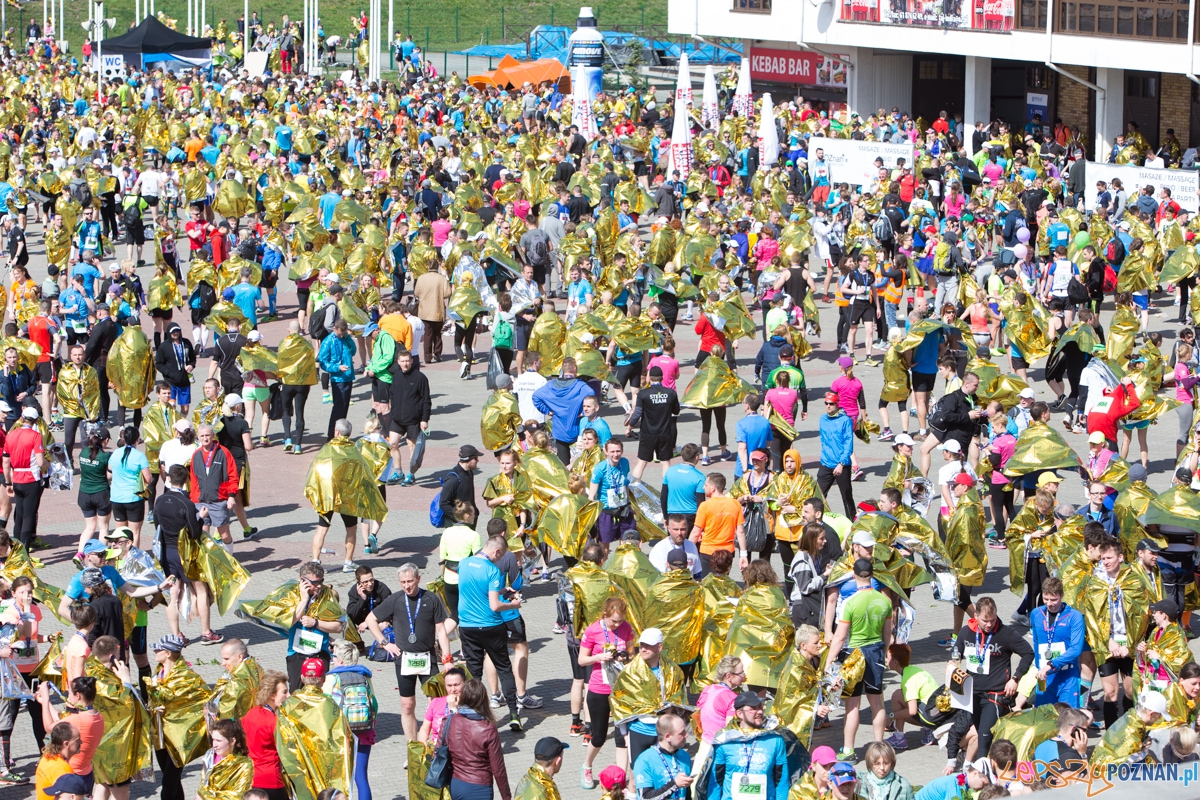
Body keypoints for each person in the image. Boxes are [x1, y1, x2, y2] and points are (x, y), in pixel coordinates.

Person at [364, 563, 452, 740]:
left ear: (418, 579)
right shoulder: (395, 600)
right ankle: (413, 746)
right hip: (404, 659)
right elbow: (371, 619)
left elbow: (441, 631)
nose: (407, 586)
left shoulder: (431, 599)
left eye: (410, 581)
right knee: (407, 705)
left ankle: (436, 744)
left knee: (436, 702)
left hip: (428, 657)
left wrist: (447, 658)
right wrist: (384, 643)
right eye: (403, 582)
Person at [947, 596, 1034, 764]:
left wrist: (1015, 678)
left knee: (985, 736)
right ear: (976, 616)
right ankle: (985, 767)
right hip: (972, 695)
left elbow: (1028, 653)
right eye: (985, 620)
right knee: (980, 732)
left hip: (994, 695)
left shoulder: (1005, 633)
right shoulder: (967, 632)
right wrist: (953, 662)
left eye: (992, 620)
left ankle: (981, 771)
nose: (989, 624)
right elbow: (956, 652)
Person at [825, 559, 893, 760]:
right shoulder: (884, 602)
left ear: (854, 576)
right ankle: (880, 748)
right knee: (877, 702)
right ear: (873, 576)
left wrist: (829, 662)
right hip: (875, 653)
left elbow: (839, 637)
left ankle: (849, 751)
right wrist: (885, 652)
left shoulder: (850, 602)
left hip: (853, 655)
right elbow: (887, 633)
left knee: (852, 705)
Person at [457, 534, 524, 732]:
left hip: (467, 627)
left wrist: (502, 589)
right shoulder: (492, 570)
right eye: (500, 556)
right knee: (504, 667)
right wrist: (513, 603)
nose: (499, 559)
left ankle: (472, 713)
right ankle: (513, 714)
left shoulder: (464, 563)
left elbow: (477, 589)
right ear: (496, 551)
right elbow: (494, 606)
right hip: (490, 626)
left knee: (474, 672)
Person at [578, 596, 635, 787]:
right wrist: (599, 656)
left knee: (622, 736)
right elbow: (581, 660)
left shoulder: (626, 628)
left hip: (621, 690)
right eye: (614, 621)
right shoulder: (593, 630)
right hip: (599, 688)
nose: (617, 624)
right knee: (599, 736)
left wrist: (625, 657)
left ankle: (620, 779)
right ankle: (586, 766)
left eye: (620, 620)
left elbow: (632, 654)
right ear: (605, 615)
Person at [705, 692, 789, 800]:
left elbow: (782, 780)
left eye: (760, 707)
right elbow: (715, 781)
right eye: (753, 708)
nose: (759, 711)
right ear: (740, 714)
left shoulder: (775, 740)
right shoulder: (725, 741)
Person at [322, 640, 377, 800]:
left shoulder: (332, 678)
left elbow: (327, 707)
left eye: (333, 657)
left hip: (342, 733)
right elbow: (373, 702)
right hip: (364, 731)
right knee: (361, 776)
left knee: (341, 778)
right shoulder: (364, 676)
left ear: (340, 661)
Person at [444, 678, 511, 800]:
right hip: (479, 787)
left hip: (456, 784)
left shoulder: (450, 720)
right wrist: (506, 796)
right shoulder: (488, 728)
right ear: (483, 700)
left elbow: (438, 750)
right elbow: (498, 768)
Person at [1029, 576, 1086, 708]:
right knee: (1044, 720)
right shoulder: (1036, 614)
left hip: (1067, 675)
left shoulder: (1074, 616)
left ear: (1062, 595)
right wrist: (1039, 666)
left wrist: (1051, 664)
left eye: (1054, 599)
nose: (1049, 603)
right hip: (1045, 676)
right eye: (1046, 599)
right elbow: (1037, 642)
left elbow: (1076, 649)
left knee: (1068, 720)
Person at [533, 358, 596, 463]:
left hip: (559, 432)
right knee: (580, 465)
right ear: (575, 369)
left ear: (562, 369)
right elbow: (592, 395)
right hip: (577, 431)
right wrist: (584, 412)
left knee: (564, 466)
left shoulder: (551, 385)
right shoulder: (581, 386)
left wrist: (547, 411)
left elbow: (536, 396)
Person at [242, 671, 290, 800]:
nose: (288, 695)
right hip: (272, 779)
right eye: (284, 692)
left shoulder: (251, 714)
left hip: (252, 776)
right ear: (272, 695)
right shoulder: (274, 722)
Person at [689, 472, 748, 576]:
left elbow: (695, 532)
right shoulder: (735, 504)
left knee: (707, 584)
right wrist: (743, 554)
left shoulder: (705, 506)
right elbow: (740, 532)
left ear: (712, 488)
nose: (703, 487)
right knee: (722, 583)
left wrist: (687, 551)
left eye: (705, 485)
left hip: (708, 552)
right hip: (727, 553)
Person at [386, 348, 430, 486]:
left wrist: (424, 419)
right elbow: (392, 395)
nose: (405, 363)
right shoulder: (396, 377)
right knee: (392, 444)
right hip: (397, 419)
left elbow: (426, 400)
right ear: (398, 362)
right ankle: (398, 472)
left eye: (407, 361)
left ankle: (411, 474)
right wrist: (392, 412)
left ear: (412, 361)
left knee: (412, 447)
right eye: (402, 361)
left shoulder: (420, 378)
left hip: (413, 420)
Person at [2, 406, 45, 547]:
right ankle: (24, 553)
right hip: (31, 480)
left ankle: (15, 550)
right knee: (28, 517)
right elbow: (40, 462)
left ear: (21, 418)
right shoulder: (35, 436)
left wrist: (9, 483)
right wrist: (48, 464)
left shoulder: (11, 434)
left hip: (16, 479)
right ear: (36, 421)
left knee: (19, 516)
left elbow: (6, 462)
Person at [189, 424, 238, 545]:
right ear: (198, 437)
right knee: (202, 536)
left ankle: (229, 559)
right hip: (201, 502)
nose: (205, 438)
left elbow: (233, 475)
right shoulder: (196, 455)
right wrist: (193, 499)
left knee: (224, 535)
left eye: (207, 435)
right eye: (202, 436)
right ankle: (207, 562)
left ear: (213, 435)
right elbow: (193, 479)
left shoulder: (223, 452)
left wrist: (231, 495)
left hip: (219, 501)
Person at [587, 438, 636, 543]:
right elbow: (591, 496)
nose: (615, 454)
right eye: (612, 451)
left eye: (618, 451)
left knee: (628, 542)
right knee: (604, 544)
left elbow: (625, 484)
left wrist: (629, 504)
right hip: (606, 512)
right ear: (606, 452)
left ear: (622, 451)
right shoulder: (600, 468)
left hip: (623, 509)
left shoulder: (625, 463)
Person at [632, 714, 691, 800]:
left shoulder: (685, 756)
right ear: (668, 737)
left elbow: (687, 793)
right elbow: (645, 797)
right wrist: (674, 784)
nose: (686, 735)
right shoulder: (644, 760)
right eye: (682, 733)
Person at [817, 391, 855, 517]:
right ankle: (817, 522)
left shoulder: (845, 420)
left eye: (831, 404)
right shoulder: (822, 419)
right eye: (826, 403)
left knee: (846, 497)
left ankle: (852, 523)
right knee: (818, 496)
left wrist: (841, 463)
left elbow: (848, 444)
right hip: (826, 463)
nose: (828, 406)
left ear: (837, 404)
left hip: (841, 465)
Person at [318, 320, 356, 439]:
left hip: (348, 377)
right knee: (338, 409)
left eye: (343, 334)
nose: (341, 336)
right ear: (334, 329)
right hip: (338, 379)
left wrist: (348, 338)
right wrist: (337, 367)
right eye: (340, 333)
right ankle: (332, 436)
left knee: (344, 408)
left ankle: (341, 434)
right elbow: (323, 362)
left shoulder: (345, 338)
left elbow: (353, 351)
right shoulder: (328, 341)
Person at [419, 666, 466, 745]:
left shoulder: (470, 703)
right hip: (436, 749)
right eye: (449, 686)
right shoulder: (436, 702)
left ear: (465, 683)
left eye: (456, 685)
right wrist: (423, 743)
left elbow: (461, 731)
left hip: (458, 748)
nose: (453, 689)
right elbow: (424, 728)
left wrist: (453, 708)